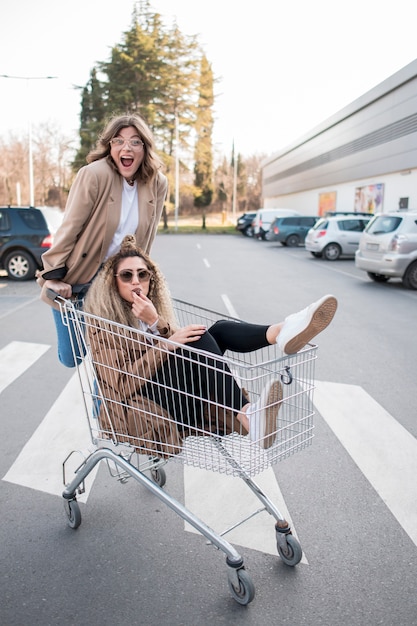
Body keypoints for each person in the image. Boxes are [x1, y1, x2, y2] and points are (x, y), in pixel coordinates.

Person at [83, 235, 337, 452]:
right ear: (114, 283)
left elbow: (177, 344)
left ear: (152, 280)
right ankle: (249, 415)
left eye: (143, 274)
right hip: (144, 408)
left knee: (218, 330)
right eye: (127, 275)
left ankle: (283, 332)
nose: (136, 281)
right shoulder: (103, 326)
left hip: (177, 397)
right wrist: (166, 345)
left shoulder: (150, 312)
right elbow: (121, 385)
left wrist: (156, 323)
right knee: (199, 337)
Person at [36, 113, 168, 367]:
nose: (126, 147)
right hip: (82, 277)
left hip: (117, 280)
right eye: (118, 141)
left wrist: (141, 278)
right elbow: (70, 227)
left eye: (135, 142)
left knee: (114, 360)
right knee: (72, 357)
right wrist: (52, 274)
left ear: (145, 148)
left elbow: (148, 237)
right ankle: (72, 310)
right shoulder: (94, 175)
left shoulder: (157, 183)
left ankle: (104, 408)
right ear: (110, 146)